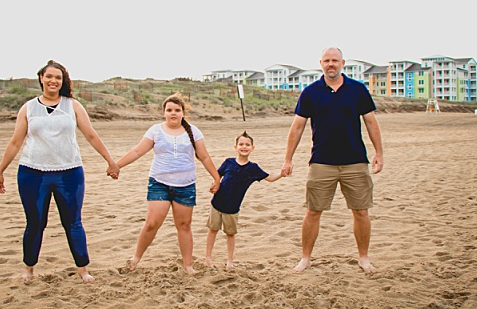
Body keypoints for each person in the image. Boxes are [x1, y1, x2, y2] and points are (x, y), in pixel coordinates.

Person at [0, 60, 120, 283]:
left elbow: (90, 134)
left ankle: (83, 269)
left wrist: (110, 161)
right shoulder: (28, 107)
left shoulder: (72, 105)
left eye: (58, 78)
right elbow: (16, 141)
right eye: (49, 76)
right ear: (41, 78)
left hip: (69, 172)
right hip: (32, 173)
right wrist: (1, 170)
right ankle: (29, 269)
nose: (53, 81)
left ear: (63, 82)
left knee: (73, 222)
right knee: (35, 223)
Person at [281, 47, 383, 273]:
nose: (331, 64)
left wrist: (379, 153)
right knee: (313, 211)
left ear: (342, 63)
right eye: (327, 61)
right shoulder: (310, 92)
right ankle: (305, 258)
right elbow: (297, 126)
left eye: (334, 61)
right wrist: (288, 159)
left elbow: (371, 122)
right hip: (321, 162)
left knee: (361, 211)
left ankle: (364, 258)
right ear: (321, 63)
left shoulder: (357, 90)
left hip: (355, 160)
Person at [114, 94, 221, 274]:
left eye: (177, 110)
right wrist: (116, 165)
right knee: (152, 223)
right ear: (164, 112)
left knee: (184, 225)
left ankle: (188, 266)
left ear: (183, 113)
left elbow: (204, 156)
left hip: (186, 185)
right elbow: (137, 151)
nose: (173, 113)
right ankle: (135, 259)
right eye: (169, 110)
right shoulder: (155, 130)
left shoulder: (193, 131)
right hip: (159, 183)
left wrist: (216, 178)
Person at [205, 132, 282, 269]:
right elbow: (217, 175)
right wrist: (214, 184)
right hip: (217, 203)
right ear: (236, 147)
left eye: (247, 145)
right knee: (212, 230)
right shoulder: (228, 162)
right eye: (241, 144)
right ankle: (208, 258)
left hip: (233, 208)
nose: (244, 147)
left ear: (252, 148)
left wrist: (282, 173)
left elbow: (269, 178)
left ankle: (229, 261)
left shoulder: (253, 168)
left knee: (230, 234)